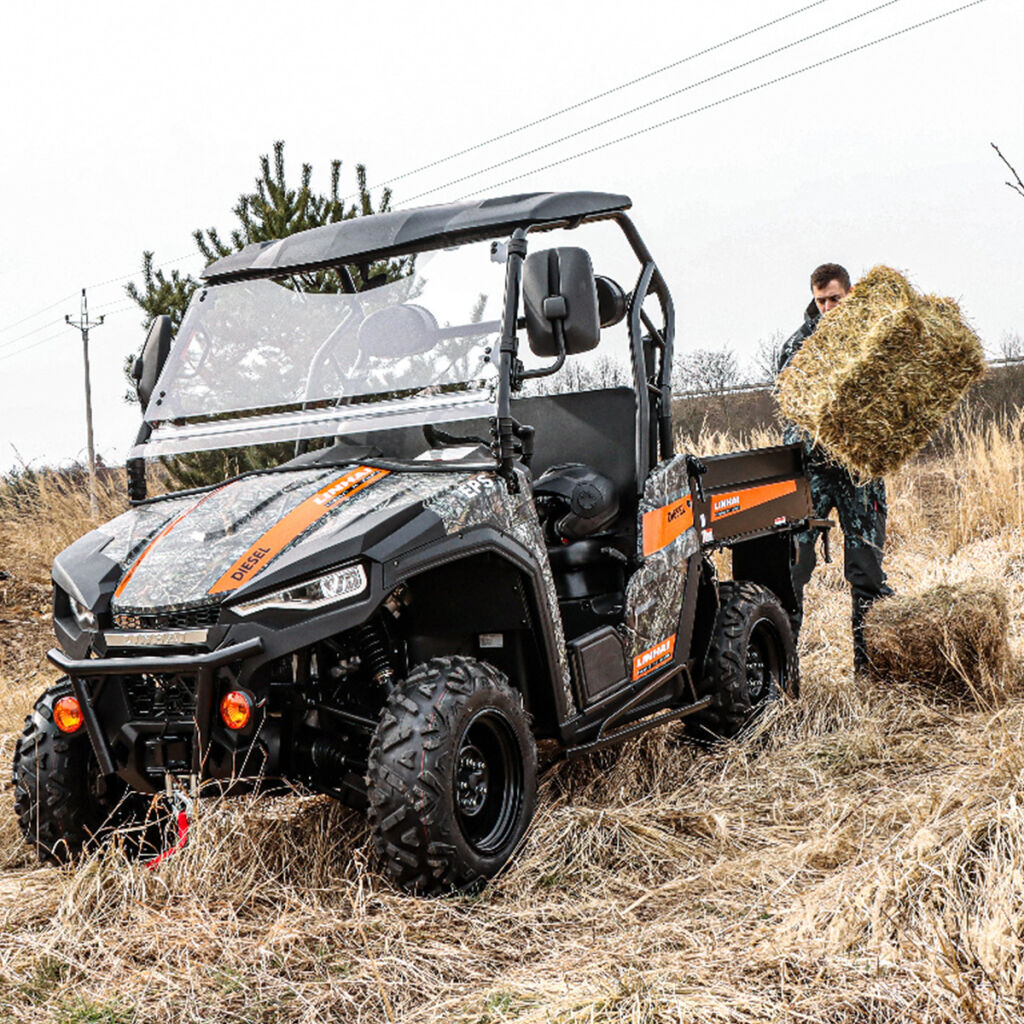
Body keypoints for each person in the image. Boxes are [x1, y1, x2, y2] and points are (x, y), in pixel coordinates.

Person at [776, 262, 892, 671]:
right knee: (792, 572)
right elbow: (789, 414)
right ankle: (785, 676)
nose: (828, 307)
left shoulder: (873, 339)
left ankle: (872, 671)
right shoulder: (798, 347)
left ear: (850, 294)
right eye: (820, 300)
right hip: (813, 475)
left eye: (835, 299)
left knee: (867, 574)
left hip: (860, 474)